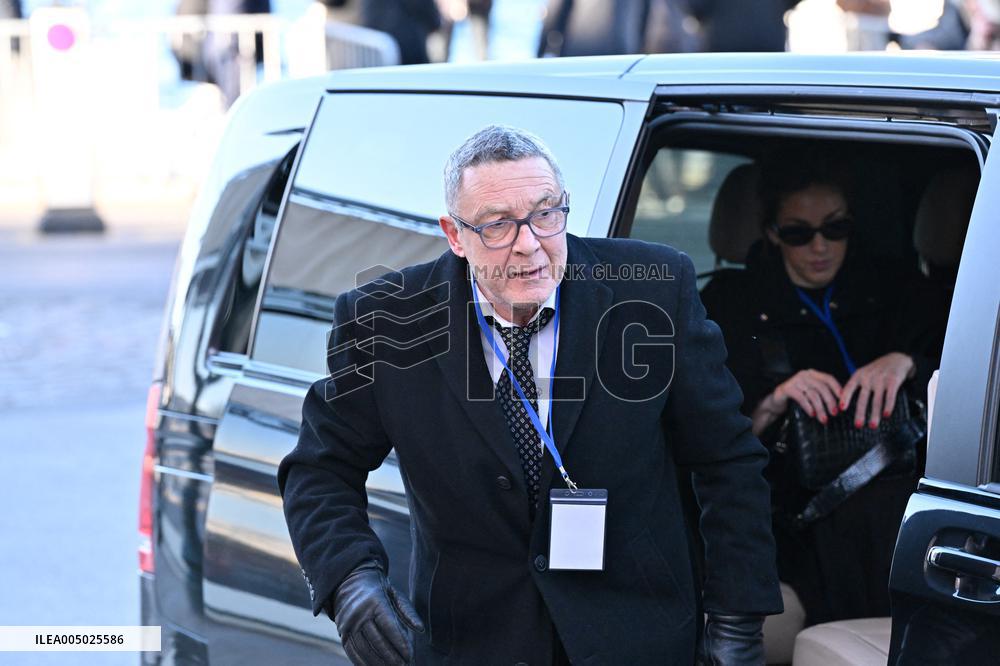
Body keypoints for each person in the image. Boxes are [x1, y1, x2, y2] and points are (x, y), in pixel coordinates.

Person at [278, 125, 782, 665]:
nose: (529, 243)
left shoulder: (655, 290)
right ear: (454, 235)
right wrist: (349, 577)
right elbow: (320, 469)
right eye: (497, 225)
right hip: (469, 645)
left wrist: (735, 622)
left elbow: (727, 462)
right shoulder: (388, 320)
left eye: (546, 214)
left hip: (638, 639)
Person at [700, 155, 937, 626]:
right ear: (770, 233)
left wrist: (909, 362)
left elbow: (973, 377)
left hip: (902, 493)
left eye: (836, 228)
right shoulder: (729, 306)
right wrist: (775, 397)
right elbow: (704, 433)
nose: (821, 246)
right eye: (798, 233)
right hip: (795, 507)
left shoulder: (899, 287)